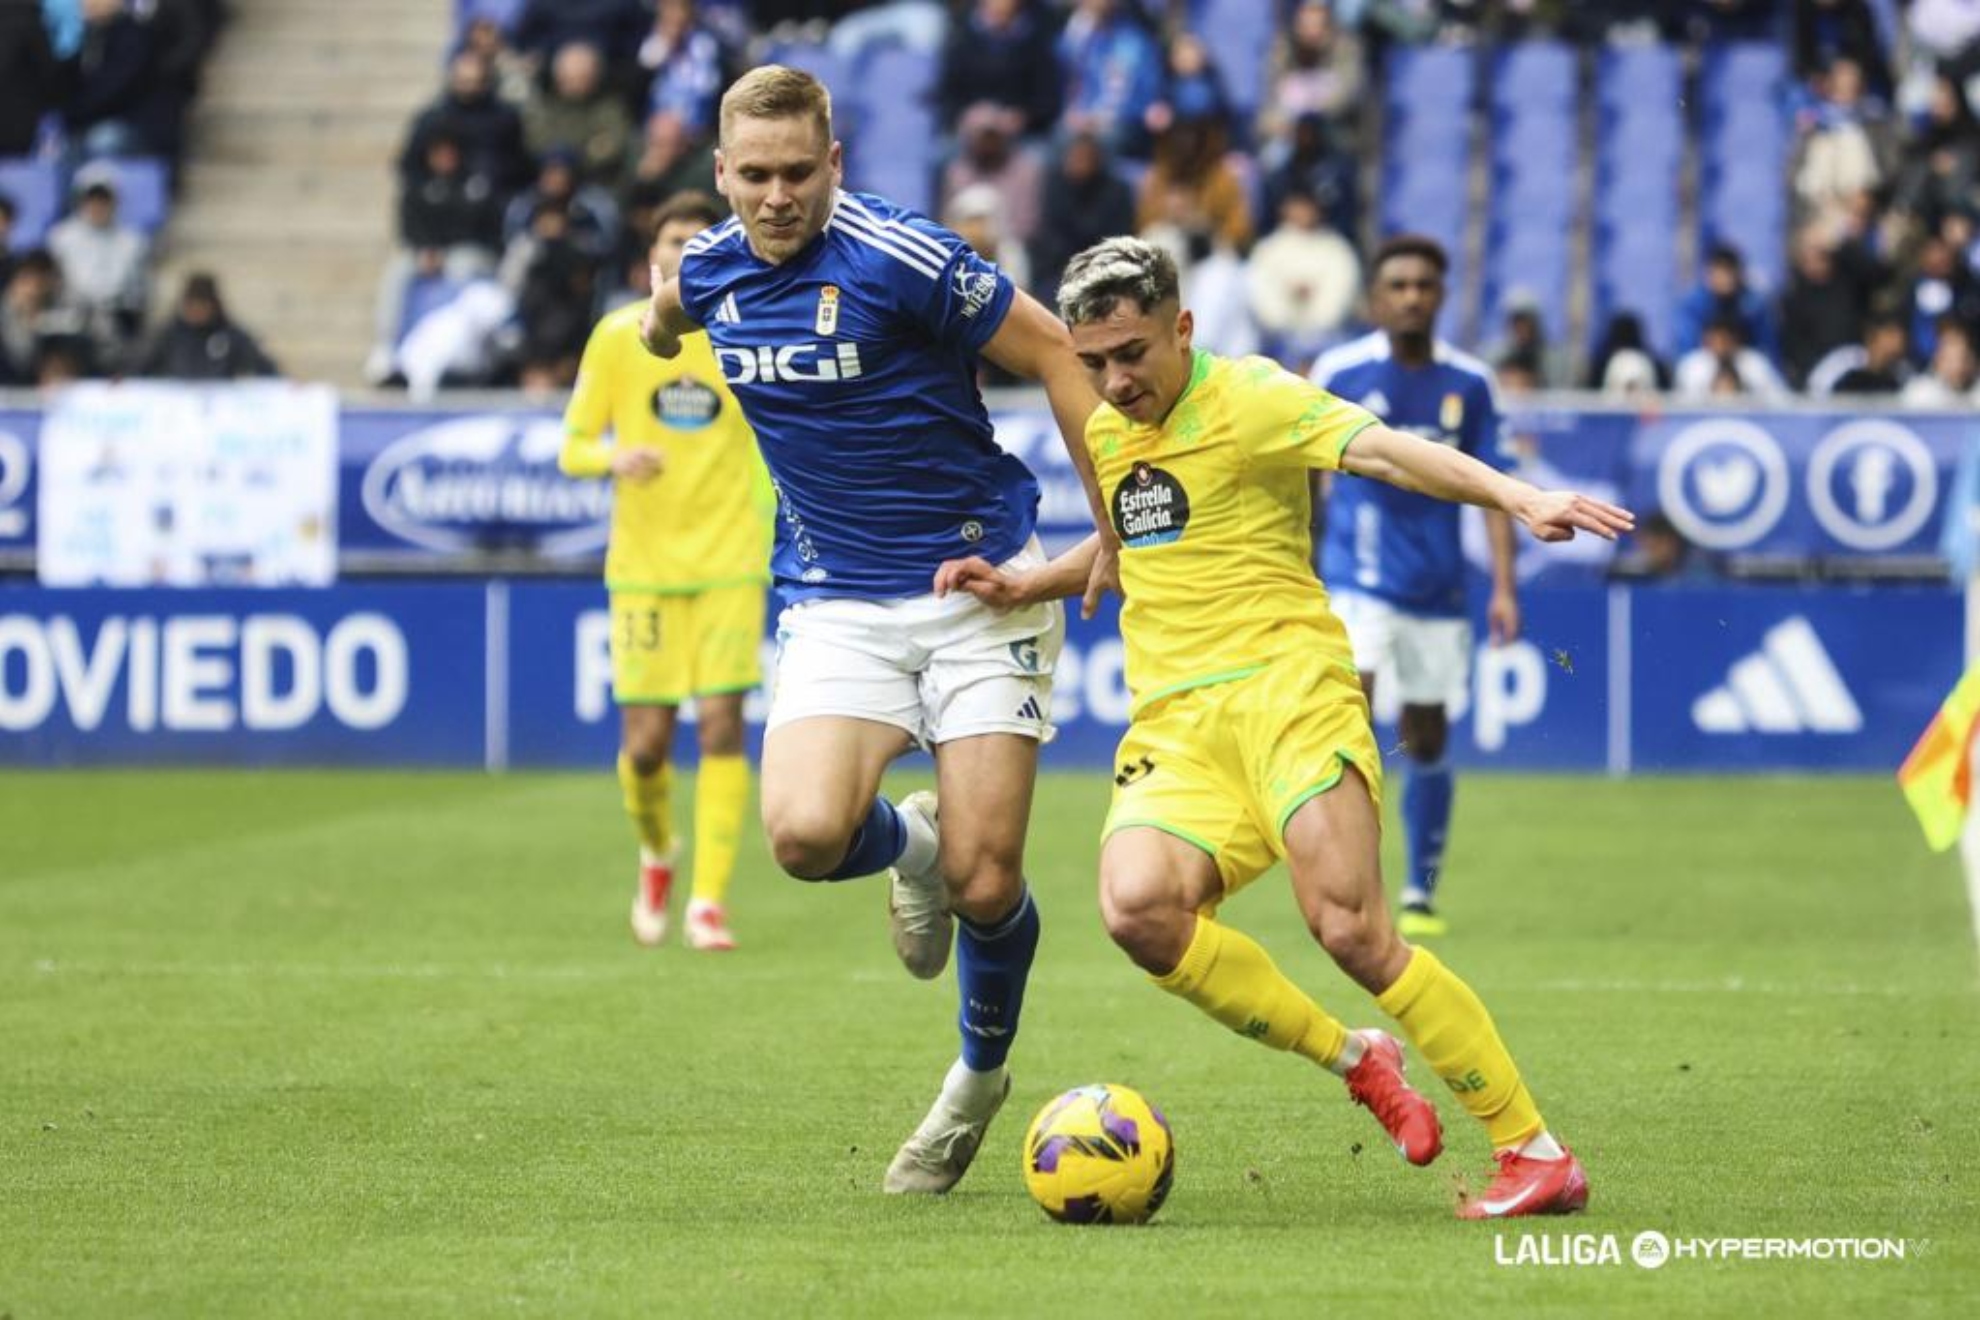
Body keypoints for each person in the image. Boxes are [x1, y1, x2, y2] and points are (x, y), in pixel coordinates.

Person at [935, 235, 1630, 1218]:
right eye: (1093, 363)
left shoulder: (1250, 398)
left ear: (1183, 328)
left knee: (1349, 928)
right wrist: (1027, 583)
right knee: (1138, 910)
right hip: (1178, 725)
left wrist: (1517, 496)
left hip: (1291, 693)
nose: (1115, 381)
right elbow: (1136, 535)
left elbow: (1385, 450)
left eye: (1132, 354)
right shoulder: (1109, 429)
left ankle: (1535, 1151)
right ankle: (1357, 1059)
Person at [637, 65, 1106, 1194]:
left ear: (835, 164)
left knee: (990, 886)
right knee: (803, 838)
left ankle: (974, 1086)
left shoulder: (906, 258)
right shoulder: (709, 268)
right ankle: (915, 849)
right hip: (836, 595)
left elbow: (1055, 350)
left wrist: (1111, 525)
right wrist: (655, 319)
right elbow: (666, 318)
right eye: (756, 175)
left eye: (800, 172)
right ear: (722, 173)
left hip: (977, 584)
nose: (779, 196)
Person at [560, 190, 770, 952]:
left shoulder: (746, 336)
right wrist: (613, 457)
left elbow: (773, 450)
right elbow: (573, 445)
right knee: (646, 746)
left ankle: (707, 901)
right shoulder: (618, 337)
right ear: (652, 256)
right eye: (673, 242)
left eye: (697, 242)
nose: (684, 254)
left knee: (721, 726)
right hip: (644, 569)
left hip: (729, 562)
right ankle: (657, 853)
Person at [1307, 235, 1514, 938]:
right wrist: (1302, 561)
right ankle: (1351, 882)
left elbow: (1496, 489)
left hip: (1437, 589)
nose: (1412, 297)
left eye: (1424, 286)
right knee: (1349, 720)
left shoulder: (1470, 383)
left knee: (1424, 738)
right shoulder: (1340, 370)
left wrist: (1504, 588)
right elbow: (1302, 470)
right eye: (1398, 285)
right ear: (1375, 297)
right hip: (1355, 580)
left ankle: (1420, 890)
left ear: (1441, 295)